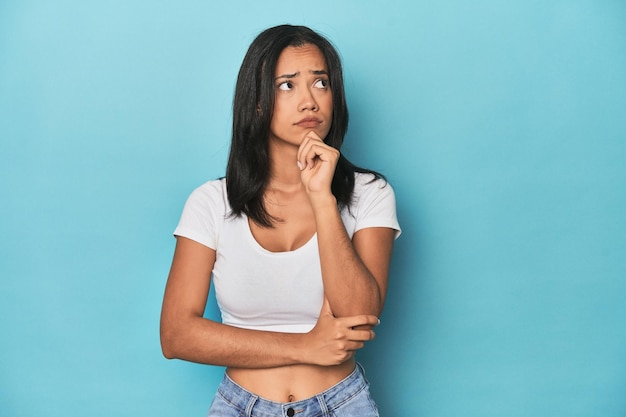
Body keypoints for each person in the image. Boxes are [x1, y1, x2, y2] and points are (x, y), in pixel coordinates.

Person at [160, 24, 401, 417]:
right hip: (240, 406)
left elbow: (358, 313)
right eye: (287, 85)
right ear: (257, 102)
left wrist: (323, 198)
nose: (310, 102)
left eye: (321, 83)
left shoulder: (370, 193)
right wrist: (306, 346)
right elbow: (176, 335)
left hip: (342, 404)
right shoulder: (210, 202)